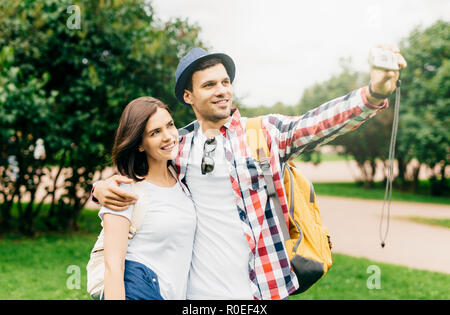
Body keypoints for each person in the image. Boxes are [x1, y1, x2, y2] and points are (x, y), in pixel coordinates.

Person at [92, 45, 407, 300]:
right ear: (188, 96)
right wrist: (100, 187)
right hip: (192, 296)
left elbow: (317, 123)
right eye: (209, 84)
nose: (222, 91)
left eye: (225, 82)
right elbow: (139, 175)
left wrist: (372, 95)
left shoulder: (264, 133)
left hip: (257, 292)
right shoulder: (179, 146)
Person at [99, 96, 196, 300]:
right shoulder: (125, 191)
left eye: (170, 125)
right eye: (155, 132)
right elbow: (113, 267)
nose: (169, 136)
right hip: (138, 292)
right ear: (140, 144)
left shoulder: (182, 182)